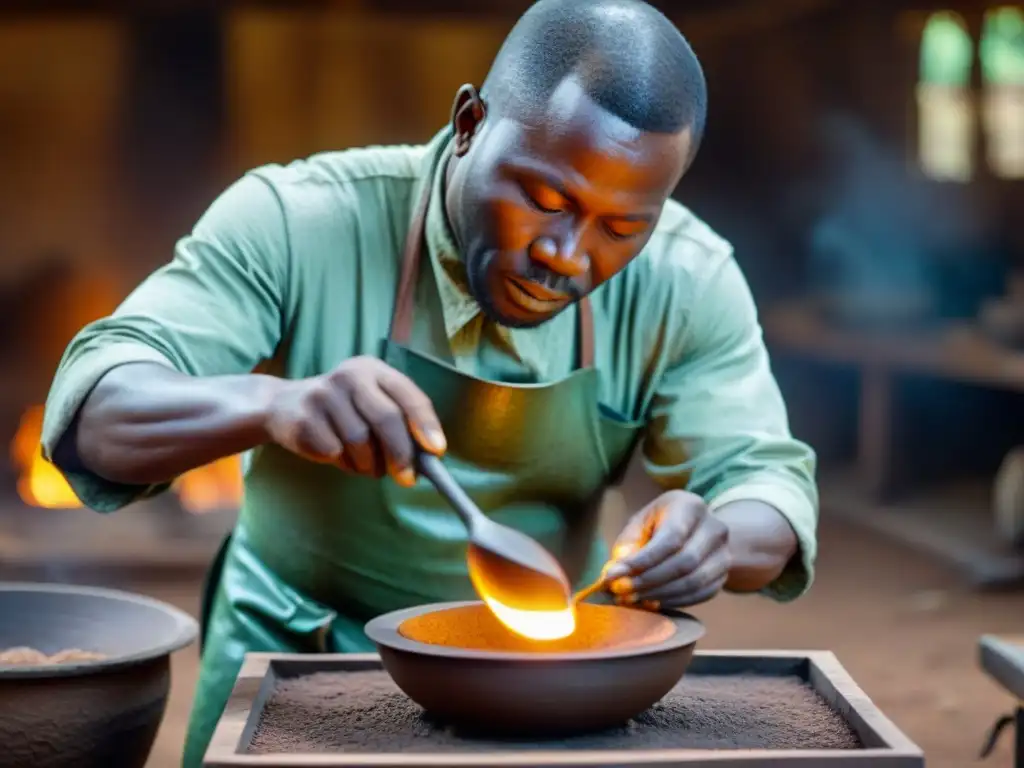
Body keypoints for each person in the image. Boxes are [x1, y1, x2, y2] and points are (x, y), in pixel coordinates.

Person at [40, 0, 818, 764]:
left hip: (546, 677)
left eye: (622, 228)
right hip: (295, 662)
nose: (567, 254)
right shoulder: (296, 219)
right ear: (471, 124)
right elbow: (95, 414)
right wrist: (276, 404)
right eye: (544, 198)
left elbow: (766, 485)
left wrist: (713, 537)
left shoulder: (687, 278)